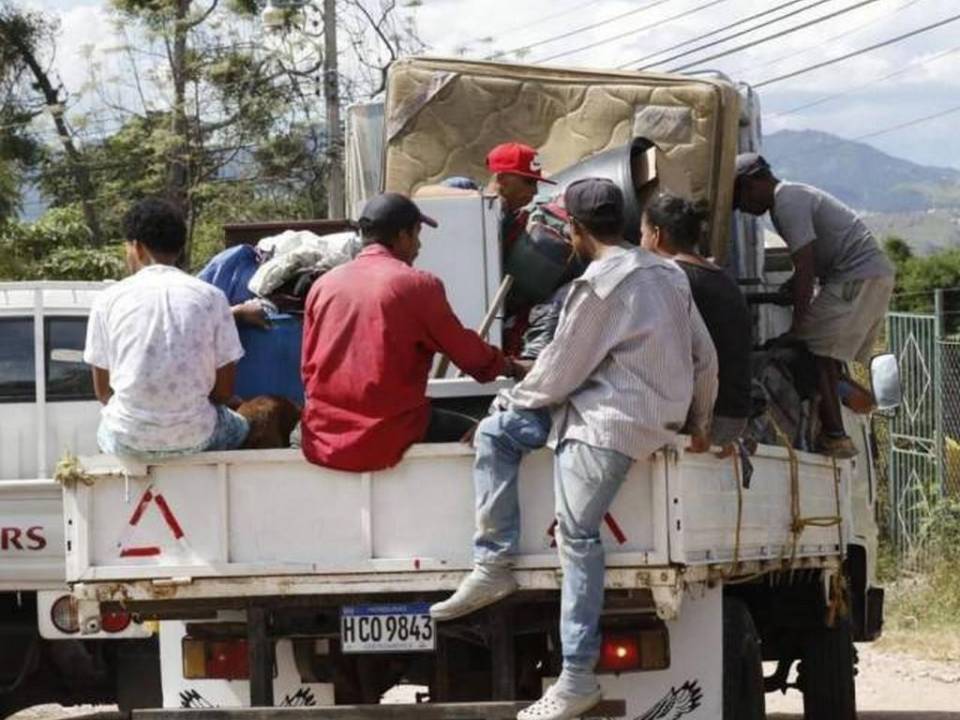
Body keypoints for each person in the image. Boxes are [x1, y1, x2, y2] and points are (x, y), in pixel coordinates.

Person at [430, 178, 718, 720]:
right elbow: (706, 356)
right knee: (499, 437)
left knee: (578, 537)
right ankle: (493, 563)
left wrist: (506, 401)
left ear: (576, 232)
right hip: (636, 414)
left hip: (605, 424)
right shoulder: (668, 272)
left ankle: (576, 678)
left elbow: (558, 372)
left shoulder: (597, 288)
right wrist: (699, 421)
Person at [300, 192, 525, 472]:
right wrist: (511, 366)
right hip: (389, 432)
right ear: (402, 235)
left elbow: (308, 369)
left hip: (322, 435)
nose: (418, 246)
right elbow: (470, 357)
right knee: (488, 433)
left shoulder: (323, 285)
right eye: (417, 235)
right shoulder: (416, 285)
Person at [734, 153, 895, 458]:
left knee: (812, 347)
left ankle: (835, 435)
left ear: (753, 183)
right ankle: (838, 391)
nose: (742, 208)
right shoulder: (790, 198)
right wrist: (793, 288)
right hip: (866, 275)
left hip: (857, 276)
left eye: (740, 198)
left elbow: (805, 266)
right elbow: (806, 270)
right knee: (823, 352)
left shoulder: (786, 202)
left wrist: (796, 325)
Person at [83, 198, 250, 459]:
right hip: (198, 437)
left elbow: (103, 393)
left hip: (127, 440)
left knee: (105, 427)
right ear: (180, 247)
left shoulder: (107, 300)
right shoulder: (213, 297)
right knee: (241, 425)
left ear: (137, 248)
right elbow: (223, 393)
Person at [641, 193, 752, 452]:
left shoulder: (672, 277)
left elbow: (700, 359)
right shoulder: (723, 279)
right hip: (735, 416)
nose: (641, 243)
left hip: (707, 420)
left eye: (642, 234)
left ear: (657, 235)